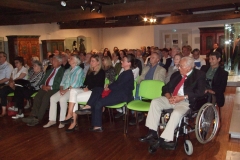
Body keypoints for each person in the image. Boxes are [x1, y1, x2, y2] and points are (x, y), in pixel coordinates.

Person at [139, 57, 206, 154]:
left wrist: (182, 97)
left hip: (185, 101)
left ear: (189, 67)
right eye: (179, 66)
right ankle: (152, 132)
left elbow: (200, 92)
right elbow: (165, 87)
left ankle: (163, 139)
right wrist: (168, 96)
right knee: (155, 102)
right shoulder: (176, 74)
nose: (178, 68)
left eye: (181, 66)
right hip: (172, 98)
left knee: (176, 113)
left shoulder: (199, 75)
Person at [78, 54, 135, 132]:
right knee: (97, 89)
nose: (121, 61)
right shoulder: (124, 72)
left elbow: (119, 85)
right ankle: (89, 106)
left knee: (99, 102)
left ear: (129, 63)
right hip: (116, 93)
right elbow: (116, 83)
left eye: (123, 60)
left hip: (122, 95)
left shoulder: (128, 73)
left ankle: (98, 126)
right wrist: (108, 86)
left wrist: (109, 87)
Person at [61, 54, 105, 132]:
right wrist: (84, 87)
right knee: (73, 91)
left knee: (73, 99)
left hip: (94, 93)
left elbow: (99, 85)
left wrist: (89, 88)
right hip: (87, 91)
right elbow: (85, 83)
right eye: (91, 61)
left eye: (93, 61)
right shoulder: (90, 71)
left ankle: (73, 122)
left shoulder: (101, 72)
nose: (91, 63)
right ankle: (70, 113)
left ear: (98, 62)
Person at [22, 55, 65, 126]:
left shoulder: (62, 71)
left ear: (60, 62)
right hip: (45, 87)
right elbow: (43, 81)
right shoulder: (50, 70)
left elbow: (61, 83)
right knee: (37, 97)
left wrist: (50, 87)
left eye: (54, 61)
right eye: (52, 61)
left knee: (45, 98)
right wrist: (42, 86)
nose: (52, 62)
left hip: (54, 89)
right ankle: (33, 115)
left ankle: (38, 118)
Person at [43, 54, 84, 129]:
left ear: (75, 61)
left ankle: (62, 120)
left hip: (73, 90)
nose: (69, 60)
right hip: (65, 89)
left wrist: (65, 90)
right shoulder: (67, 70)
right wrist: (61, 89)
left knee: (62, 99)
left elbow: (75, 83)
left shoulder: (79, 70)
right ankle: (52, 120)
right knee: (52, 98)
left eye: (71, 59)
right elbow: (62, 82)